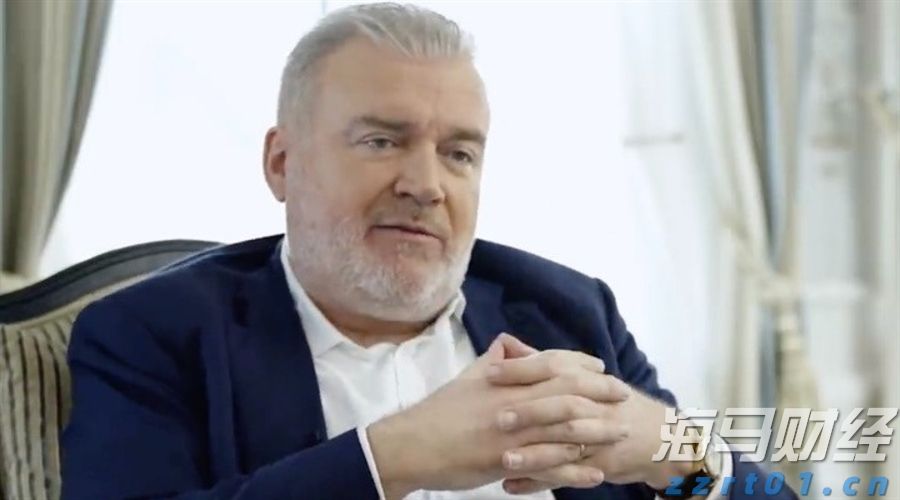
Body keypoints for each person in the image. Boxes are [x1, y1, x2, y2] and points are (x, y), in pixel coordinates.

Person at [61, 3, 797, 500]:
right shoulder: (153, 334)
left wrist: (678, 457)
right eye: (382, 141)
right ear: (282, 163)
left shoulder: (566, 312)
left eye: (459, 154)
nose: (426, 185)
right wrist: (396, 456)